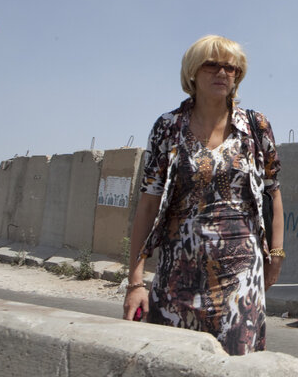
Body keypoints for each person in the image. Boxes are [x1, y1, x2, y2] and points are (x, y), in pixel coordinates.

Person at [122, 35, 284, 356]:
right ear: (193, 72)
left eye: (231, 67)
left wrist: (276, 258)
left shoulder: (256, 127)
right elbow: (148, 204)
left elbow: (273, 194)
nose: (223, 73)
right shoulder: (168, 128)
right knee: (169, 362)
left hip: (239, 280)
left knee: (234, 366)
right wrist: (135, 281)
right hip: (175, 277)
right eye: (212, 64)